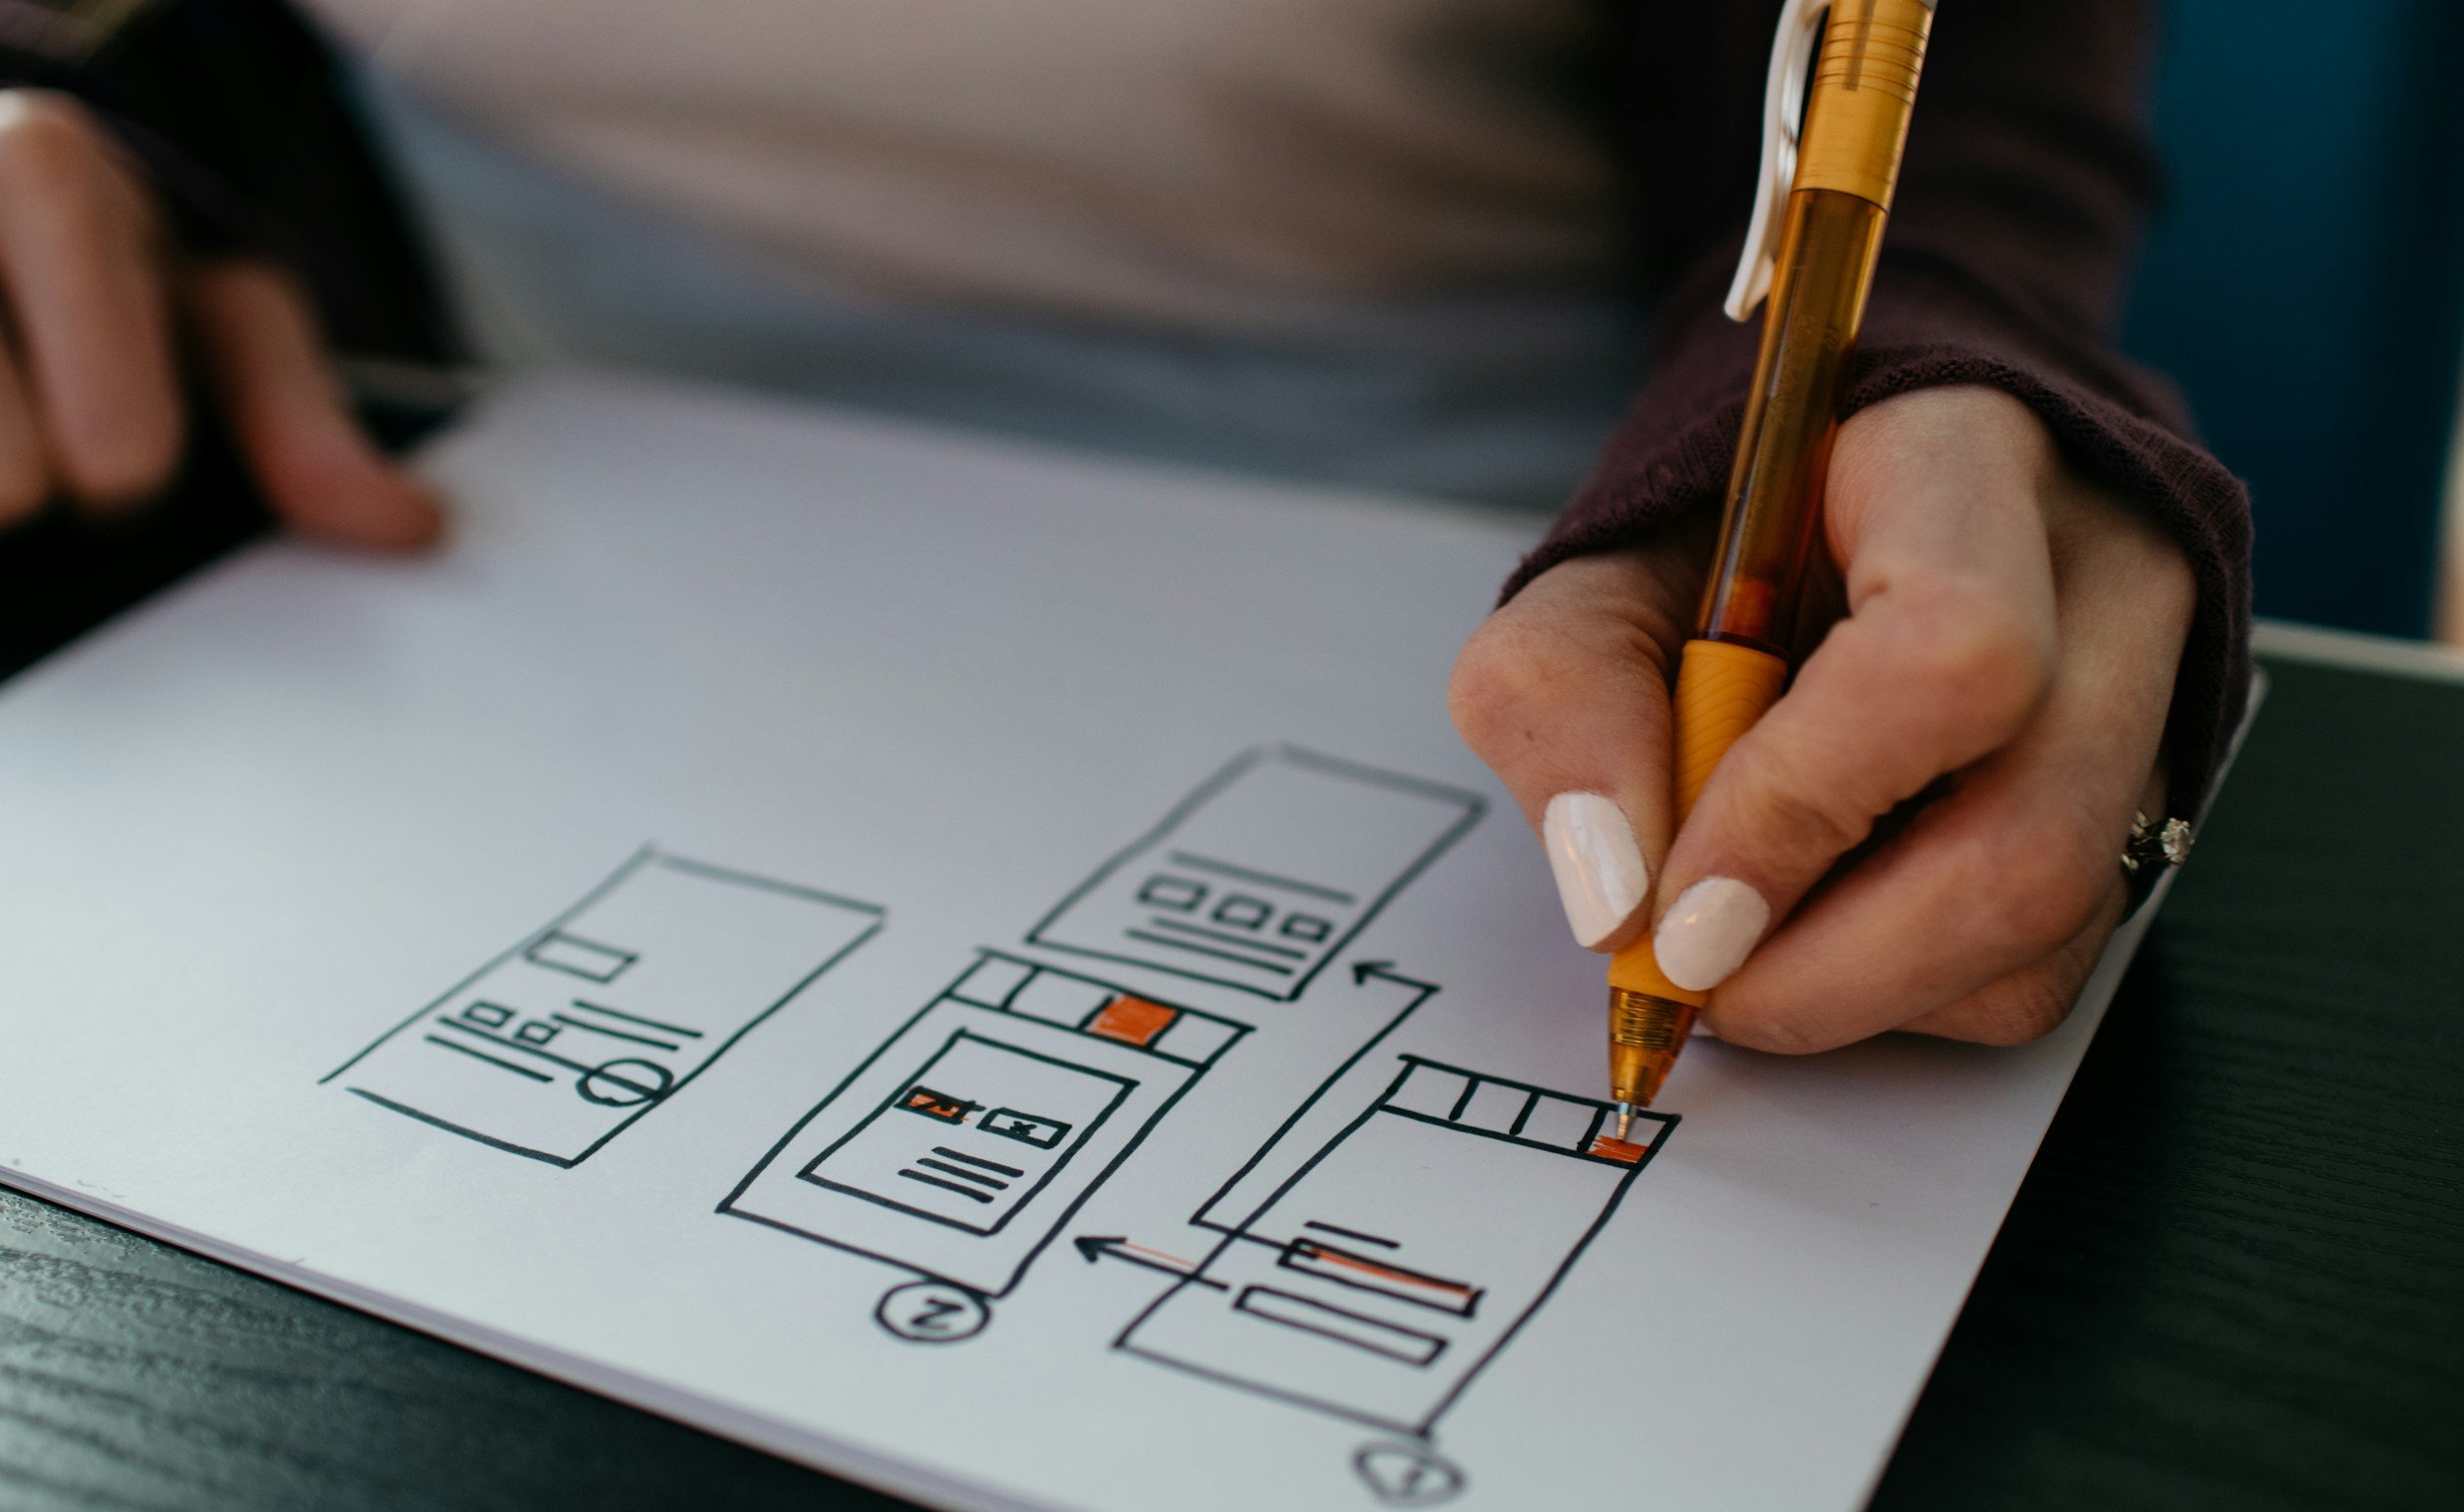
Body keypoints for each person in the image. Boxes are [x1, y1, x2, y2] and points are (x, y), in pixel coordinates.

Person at [0, 0, 2249, 1057]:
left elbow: (1904, 109)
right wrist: (66, 123)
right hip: (482, 580)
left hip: (1511, 577)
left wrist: (1933, 355)